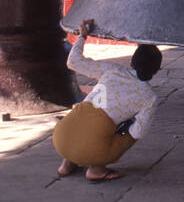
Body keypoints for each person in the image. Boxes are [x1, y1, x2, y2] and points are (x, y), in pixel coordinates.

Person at [53, 19, 162, 183]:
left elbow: (73, 62)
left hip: (60, 138)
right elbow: (138, 132)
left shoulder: (113, 70)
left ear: (132, 63)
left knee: (86, 116)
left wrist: (82, 36)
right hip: (93, 148)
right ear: (155, 72)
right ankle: (96, 169)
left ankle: (67, 164)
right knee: (130, 133)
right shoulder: (149, 97)